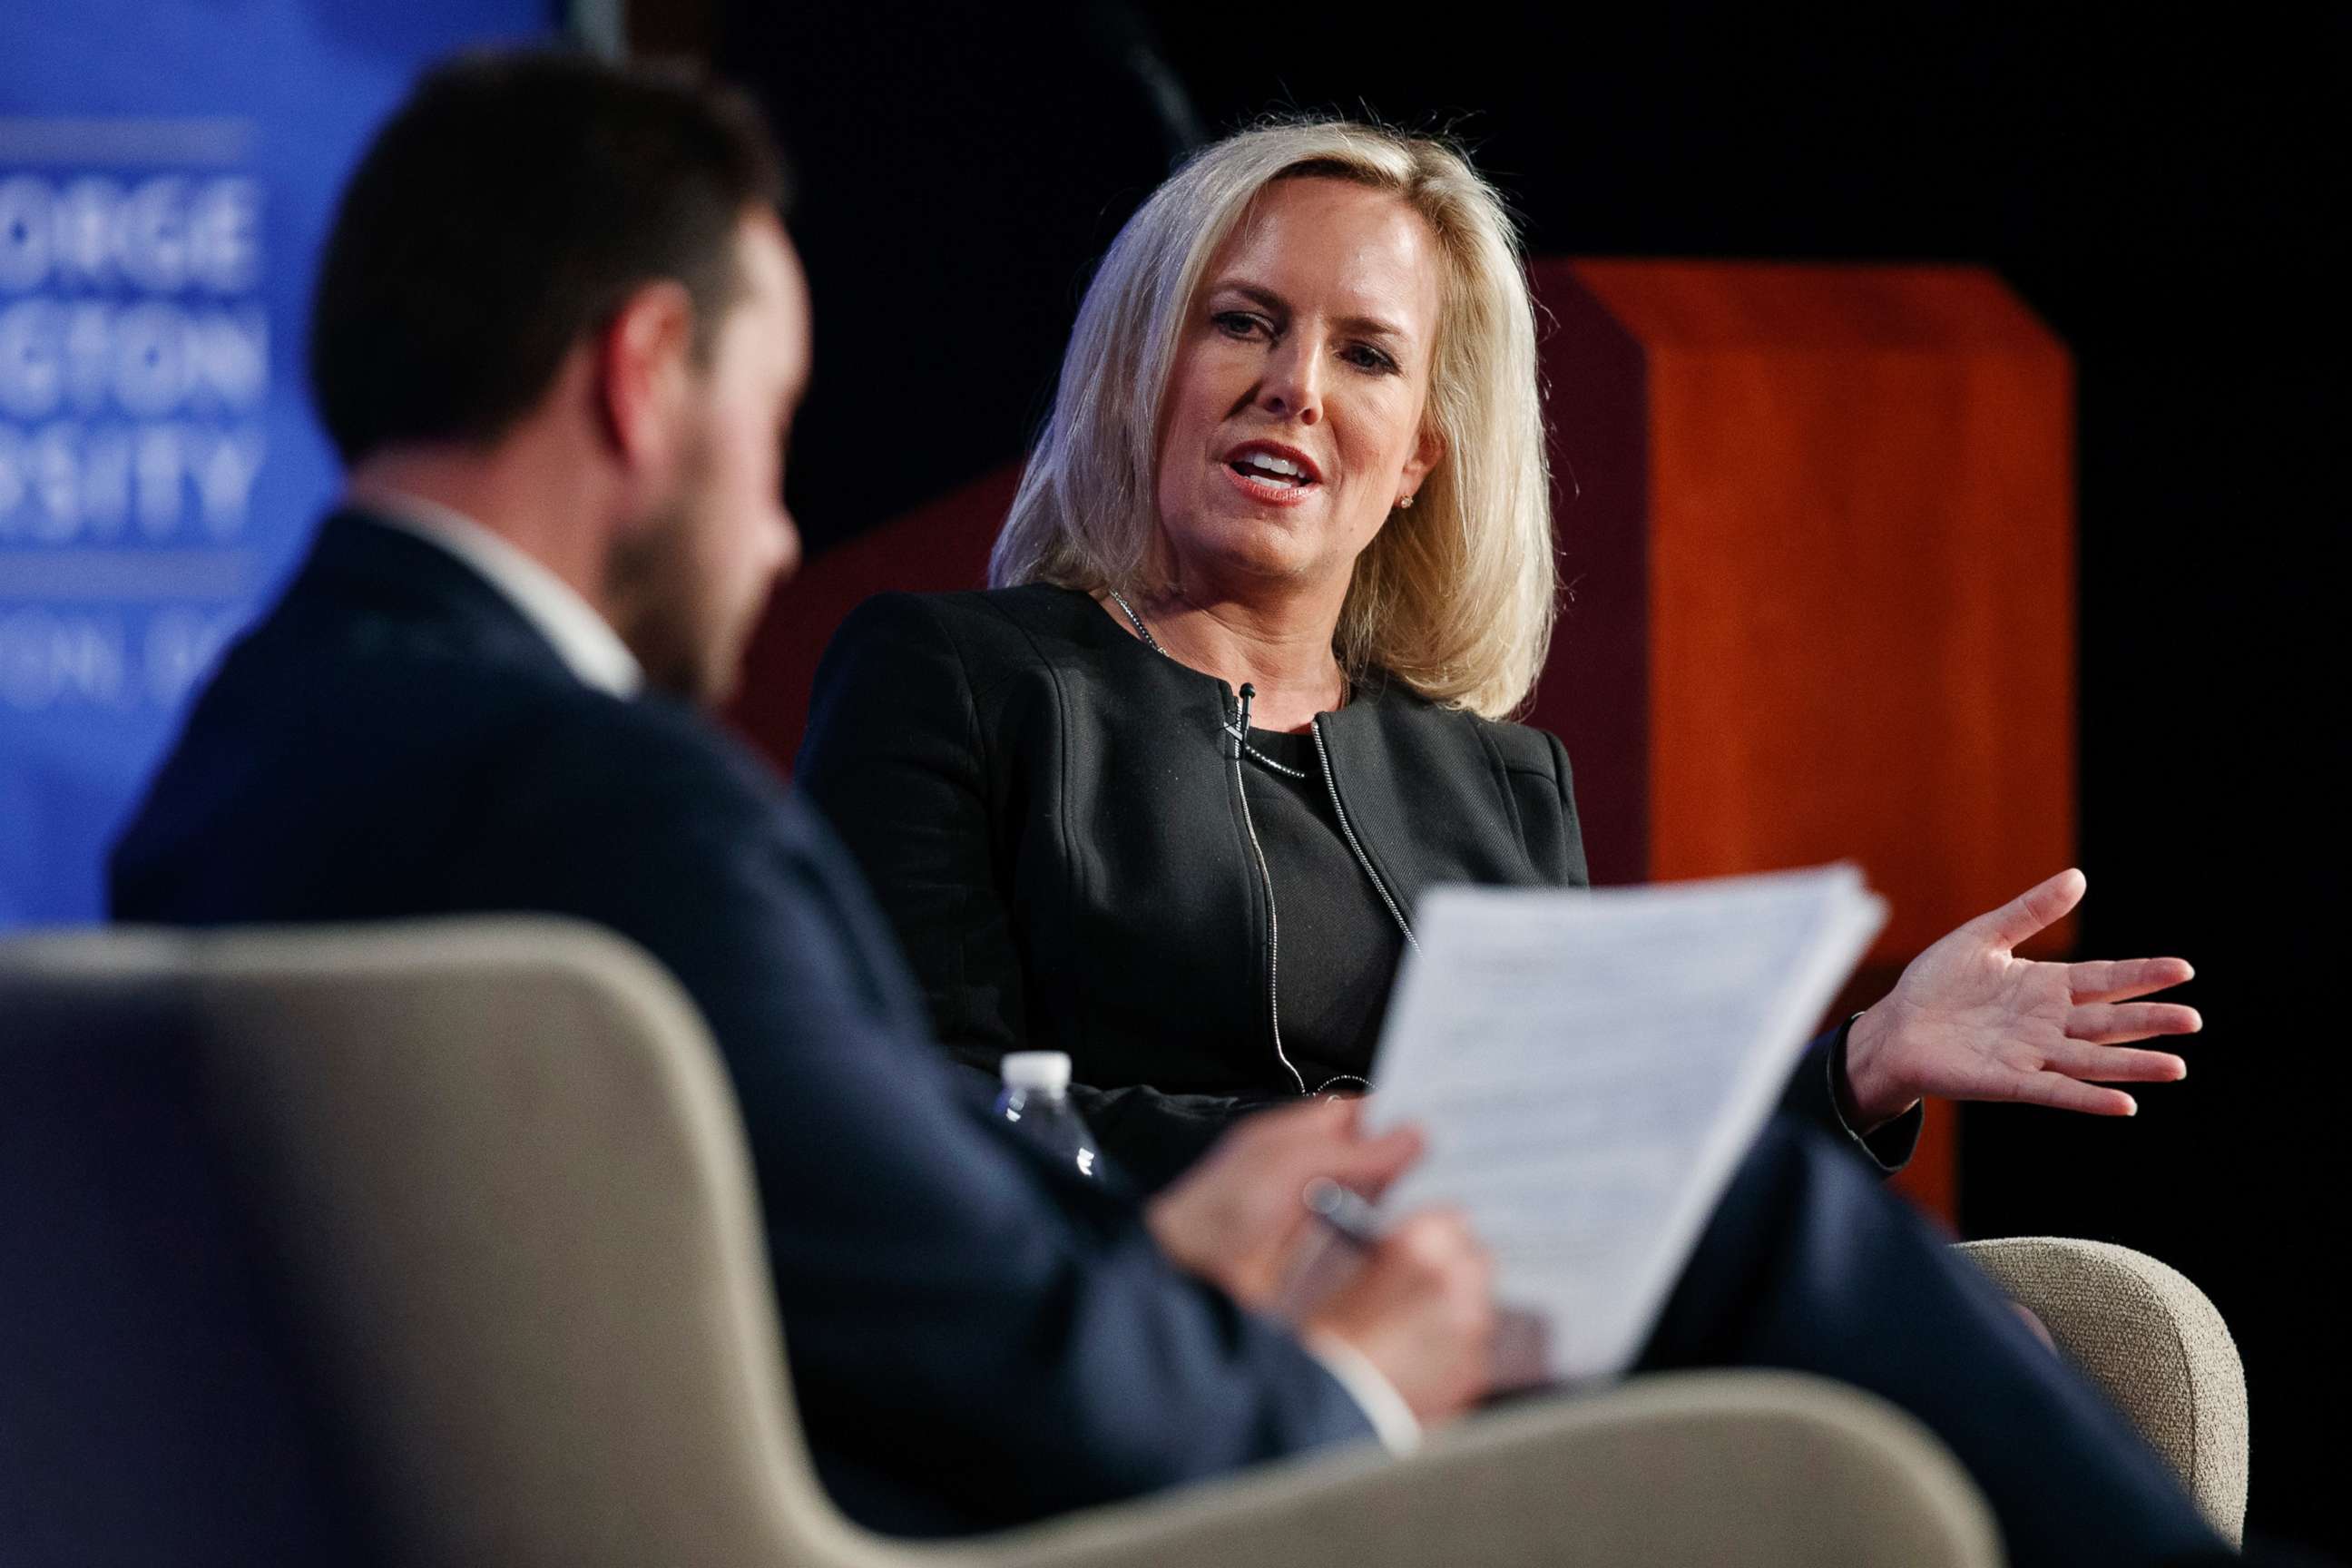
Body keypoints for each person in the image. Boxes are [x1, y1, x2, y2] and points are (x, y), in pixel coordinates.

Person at [792, 122, 2234, 1564]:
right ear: (1143, 369)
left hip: (1498, 1338)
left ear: (1418, 452)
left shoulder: (1495, 779)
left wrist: (1861, 1062)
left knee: (1991, 1349)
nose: (1293, 388)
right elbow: (926, 1113)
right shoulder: (957, 680)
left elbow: (1604, 1157)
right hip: (1174, 1335)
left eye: (1366, 354)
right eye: (1242, 323)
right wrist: (1361, 1168)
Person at [108, 53, 1495, 1539]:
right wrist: (1346, 1393)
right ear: (645, 375)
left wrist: (1149, 1239)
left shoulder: (237, 757)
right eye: (774, 431)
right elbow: (980, 1356)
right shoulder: (620, 813)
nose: (777, 539)